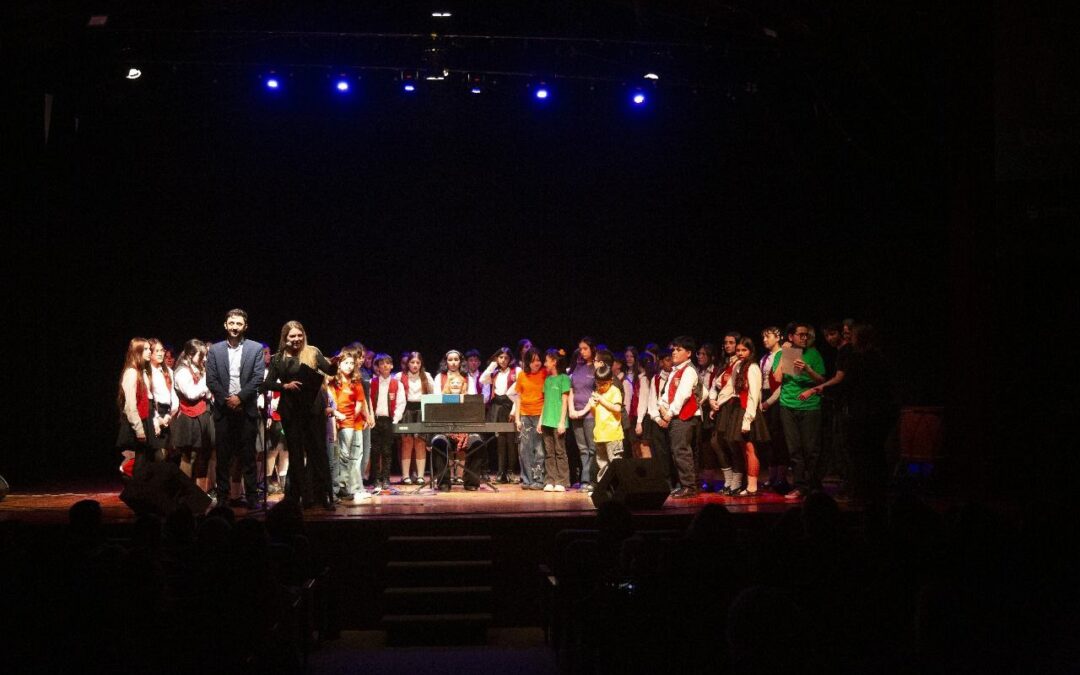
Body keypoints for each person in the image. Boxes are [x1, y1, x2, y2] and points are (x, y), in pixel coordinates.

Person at [261, 321, 339, 510]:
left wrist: (334, 365)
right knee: (295, 455)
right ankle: (303, 497)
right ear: (285, 338)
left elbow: (329, 371)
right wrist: (284, 386)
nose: (296, 339)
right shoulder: (278, 359)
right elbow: (267, 383)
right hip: (291, 410)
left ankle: (326, 495)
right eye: (292, 336)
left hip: (313, 409)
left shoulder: (312, 351)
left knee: (318, 452)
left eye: (299, 335)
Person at [206, 309, 266, 509]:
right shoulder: (215, 350)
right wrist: (228, 400)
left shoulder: (255, 348)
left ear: (245, 326)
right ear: (225, 324)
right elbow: (211, 380)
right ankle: (222, 498)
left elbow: (258, 378)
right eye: (231, 323)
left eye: (239, 324)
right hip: (223, 411)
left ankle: (251, 497)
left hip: (246, 410)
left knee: (248, 457)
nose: (234, 327)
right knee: (223, 457)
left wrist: (239, 398)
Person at [711, 337, 770, 496]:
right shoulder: (738, 366)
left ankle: (752, 486)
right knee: (742, 448)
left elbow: (754, 394)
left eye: (744, 350)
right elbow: (729, 389)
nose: (740, 353)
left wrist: (748, 419)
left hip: (747, 410)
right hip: (737, 409)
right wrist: (716, 404)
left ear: (750, 351)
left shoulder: (753, 368)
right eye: (738, 350)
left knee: (750, 448)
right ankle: (747, 484)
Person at [776, 322, 826, 499]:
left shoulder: (813, 354)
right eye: (800, 335)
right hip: (788, 406)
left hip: (810, 406)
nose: (804, 338)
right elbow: (777, 378)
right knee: (794, 449)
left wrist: (807, 368)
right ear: (791, 337)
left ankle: (814, 486)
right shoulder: (785, 353)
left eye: (806, 335)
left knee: (811, 449)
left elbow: (822, 380)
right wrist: (785, 354)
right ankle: (799, 486)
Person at [659, 337, 701, 499]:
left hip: (685, 417)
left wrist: (669, 413)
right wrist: (662, 406)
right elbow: (666, 393)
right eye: (674, 349)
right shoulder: (675, 370)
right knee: (678, 451)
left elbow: (682, 395)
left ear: (689, 353)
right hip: (676, 416)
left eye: (679, 350)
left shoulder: (689, 370)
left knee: (682, 451)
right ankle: (687, 485)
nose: (674, 352)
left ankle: (690, 486)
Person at [171, 339, 215, 491]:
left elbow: (209, 395)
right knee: (187, 456)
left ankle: (201, 492)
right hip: (188, 417)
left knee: (203, 455)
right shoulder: (182, 371)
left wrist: (205, 387)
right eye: (200, 356)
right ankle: (185, 491)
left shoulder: (199, 370)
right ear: (190, 355)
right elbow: (191, 394)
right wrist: (206, 383)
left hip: (202, 415)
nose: (204, 359)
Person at [328, 348, 371, 502]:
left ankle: (345, 486)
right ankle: (337, 486)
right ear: (339, 364)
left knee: (348, 455)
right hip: (335, 420)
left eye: (352, 363)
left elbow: (360, 401)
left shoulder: (355, 381)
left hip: (350, 421)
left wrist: (352, 416)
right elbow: (330, 399)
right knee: (338, 455)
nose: (349, 366)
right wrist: (336, 416)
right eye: (346, 363)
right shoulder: (334, 380)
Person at [479, 347, 520, 484]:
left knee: (511, 440)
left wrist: (514, 411)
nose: (503, 360)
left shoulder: (516, 371)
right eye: (500, 357)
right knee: (500, 440)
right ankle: (501, 471)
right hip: (497, 407)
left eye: (506, 358)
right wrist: (492, 365)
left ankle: (511, 471)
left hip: (510, 406)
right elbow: (482, 380)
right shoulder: (495, 372)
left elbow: (519, 393)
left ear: (510, 359)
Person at [116, 338, 155, 477]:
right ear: (137, 352)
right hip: (138, 421)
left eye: (149, 348)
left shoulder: (143, 371)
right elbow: (130, 405)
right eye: (145, 349)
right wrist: (139, 429)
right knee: (140, 462)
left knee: (146, 460)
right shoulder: (132, 373)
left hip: (146, 418)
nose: (149, 351)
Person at [580, 363, 624, 484]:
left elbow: (617, 408)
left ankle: (618, 487)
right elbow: (596, 415)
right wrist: (592, 405)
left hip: (613, 435)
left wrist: (601, 400)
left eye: (604, 383)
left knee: (615, 463)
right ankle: (603, 489)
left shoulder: (615, 391)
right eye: (598, 383)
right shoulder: (597, 392)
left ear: (611, 380)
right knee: (602, 465)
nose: (601, 386)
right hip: (600, 434)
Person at [509, 347, 547, 490]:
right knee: (524, 449)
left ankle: (539, 479)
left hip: (539, 415)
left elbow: (546, 398)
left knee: (539, 449)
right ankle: (527, 479)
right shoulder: (522, 376)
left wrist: (542, 419)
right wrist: (518, 418)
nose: (536, 363)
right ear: (527, 362)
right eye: (533, 361)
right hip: (525, 415)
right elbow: (518, 398)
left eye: (538, 360)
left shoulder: (544, 374)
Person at [369, 353, 406, 492]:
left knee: (386, 451)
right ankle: (376, 478)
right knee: (375, 450)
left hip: (388, 421)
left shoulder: (397, 384)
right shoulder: (372, 383)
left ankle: (386, 478)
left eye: (387, 363)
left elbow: (401, 403)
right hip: (375, 421)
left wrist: (395, 419)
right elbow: (368, 402)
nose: (385, 365)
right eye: (381, 363)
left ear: (391, 366)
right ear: (377, 367)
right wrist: (371, 418)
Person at [396, 351, 434, 486]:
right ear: (408, 363)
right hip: (406, 410)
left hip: (421, 410)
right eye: (412, 362)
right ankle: (405, 475)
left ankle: (420, 476)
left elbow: (433, 394)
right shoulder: (400, 376)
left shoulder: (427, 376)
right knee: (406, 442)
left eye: (418, 362)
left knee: (420, 442)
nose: (415, 365)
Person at [539, 348, 572, 491]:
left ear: (554, 362)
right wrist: (540, 420)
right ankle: (550, 480)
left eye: (547, 361)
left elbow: (564, 401)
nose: (545, 364)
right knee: (549, 452)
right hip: (546, 420)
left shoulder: (564, 378)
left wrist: (561, 422)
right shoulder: (547, 380)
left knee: (560, 452)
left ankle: (562, 481)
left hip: (558, 421)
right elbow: (545, 401)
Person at [569, 337, 599, 492]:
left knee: (592, 448)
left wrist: (583, 411)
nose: (582, 351)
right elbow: (571, 390)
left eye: (585, 348)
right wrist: (572, 410)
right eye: (580, 349)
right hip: (575, 413)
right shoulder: (577, 367)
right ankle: (584, 480)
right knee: (582, 449)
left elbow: (596, 393)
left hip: (589, 414)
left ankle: (591, 480)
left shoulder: (596, 367)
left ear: (592, 349)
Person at [148, 339, 178, 455]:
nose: (161, 353)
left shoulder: (167, 371)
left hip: (167, 414)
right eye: (157, 351)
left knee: (167, 454)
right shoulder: (147, 372)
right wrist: (156, 419)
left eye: (162, 350)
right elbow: (149, 399)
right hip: (154, 413)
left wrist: (170, 414)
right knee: (157, 455)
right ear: (150, 353)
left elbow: (173, 395)